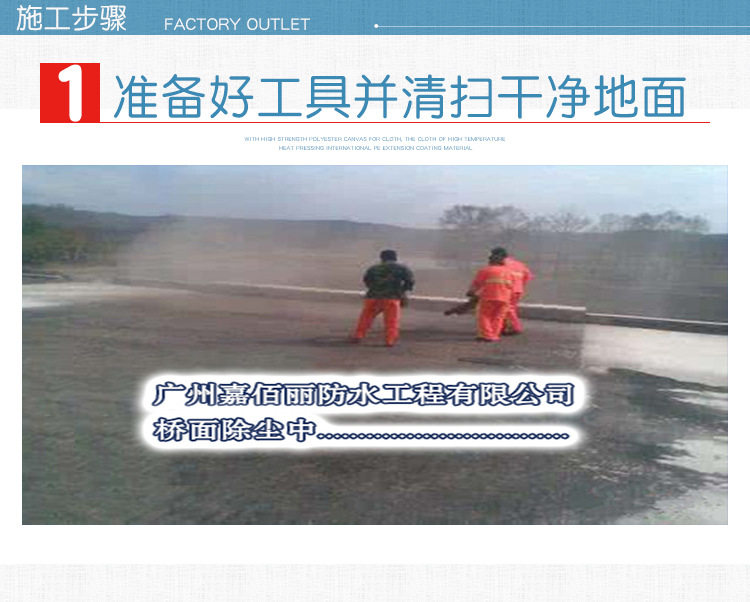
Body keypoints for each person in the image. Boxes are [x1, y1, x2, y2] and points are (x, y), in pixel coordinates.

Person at [351, 249, 415, 346]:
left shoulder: (373, 268)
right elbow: (410, 281)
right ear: (395, 257)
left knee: (366, 318)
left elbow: (367, 280)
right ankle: (390, 340)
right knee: (391, 320)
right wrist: (402, 291)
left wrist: (375, 288)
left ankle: (358, 335)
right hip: (391, 297)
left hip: (372, 297)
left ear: (382, 258)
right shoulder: (401, 268)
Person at [467, 247, 516, 342]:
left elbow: (477, 284)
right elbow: (512, 286)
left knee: (484, 316)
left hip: (489, 297)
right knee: (498, 317)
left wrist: (471, 292)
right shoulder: (509, 272)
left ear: (491, 260)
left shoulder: (486, 270)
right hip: (505, 298)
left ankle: (487, 336)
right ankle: (494, 335)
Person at [503, 253, 534, 334]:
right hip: (518, 290)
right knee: (511, 308)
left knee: (507, 309)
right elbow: (528, 276)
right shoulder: (520, 264)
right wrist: (521, 285)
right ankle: (507, 326)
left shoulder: (501, 263)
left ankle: (515, 327)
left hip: (507, 289)